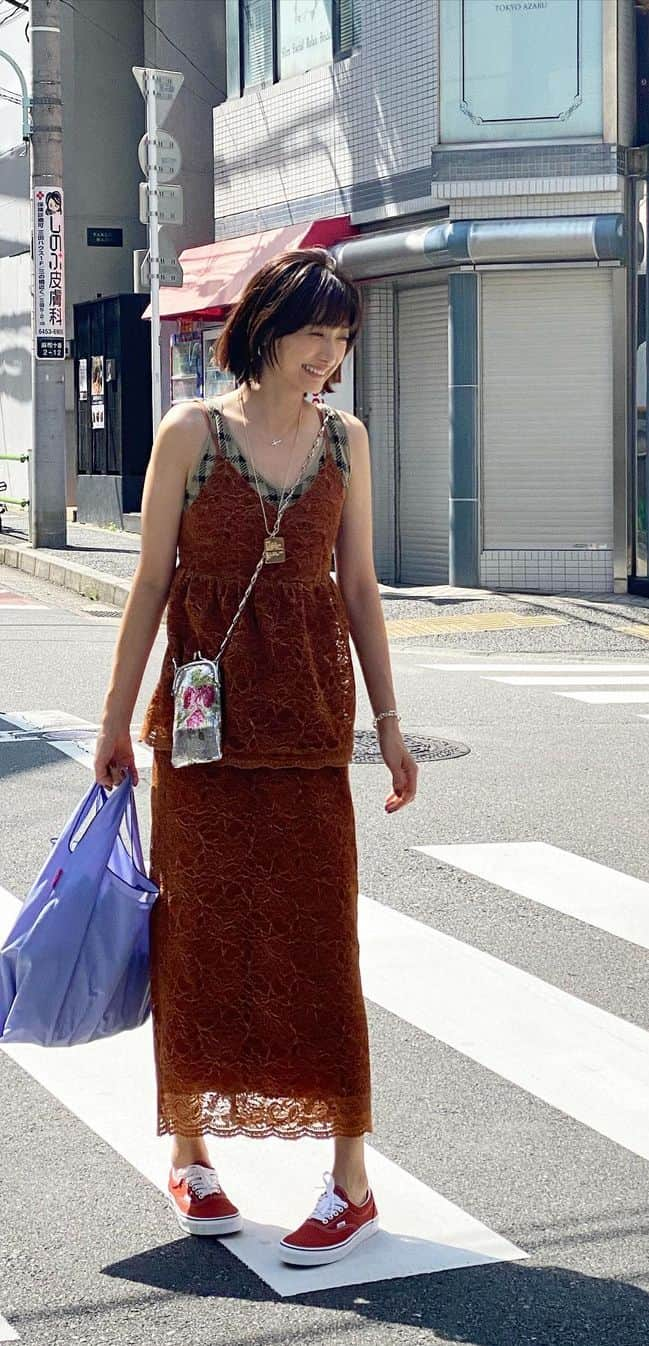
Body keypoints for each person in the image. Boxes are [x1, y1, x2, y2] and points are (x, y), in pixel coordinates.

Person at [93, 248, 417, 1267]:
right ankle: (191, 1152)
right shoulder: (191, 434)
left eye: (342, 337)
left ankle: (350, 1180)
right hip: (200, 737)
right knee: (196, 939)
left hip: (312, 728)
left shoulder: (347, 440)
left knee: (323, 946)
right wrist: (111, 720)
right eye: (313, 332)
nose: (328, 355)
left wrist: (392, 725)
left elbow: (358, 589)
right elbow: (151, 585)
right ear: (265, 328)